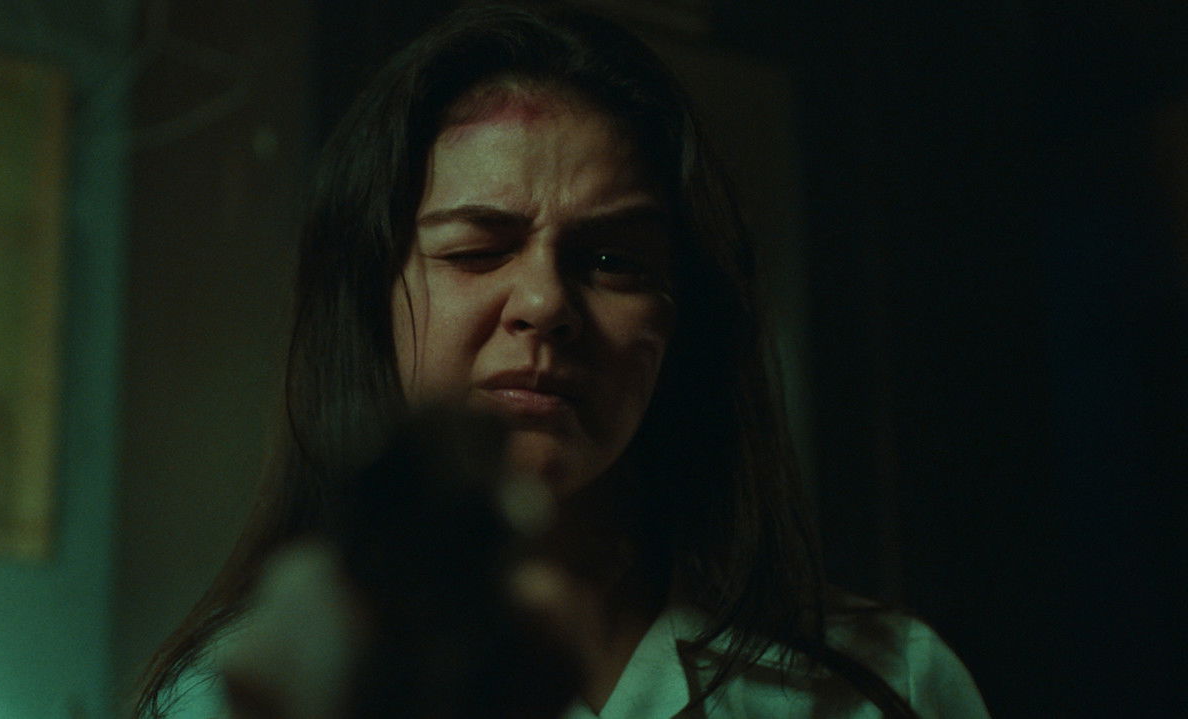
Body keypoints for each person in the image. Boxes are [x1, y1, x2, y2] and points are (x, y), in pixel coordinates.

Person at [135, 3, 991, 718]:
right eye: (477, 250)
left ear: (679, 315)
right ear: (372, 296)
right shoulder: (237, 698)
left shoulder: (885, 684)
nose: (544, 302)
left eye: (613, 260)